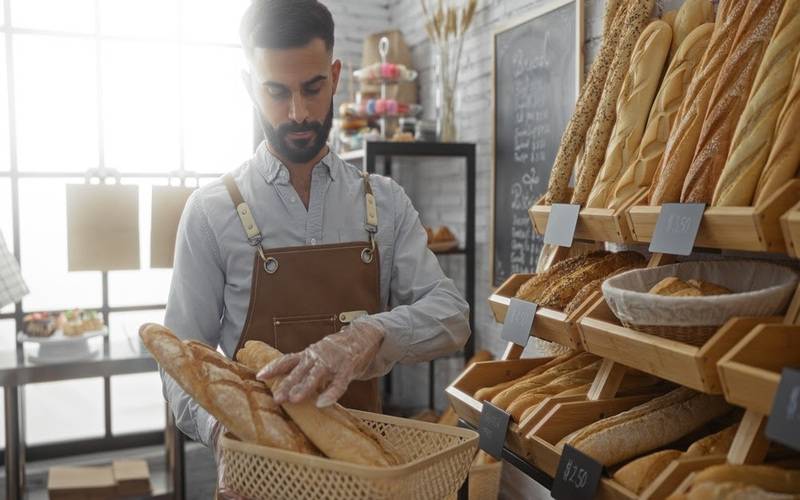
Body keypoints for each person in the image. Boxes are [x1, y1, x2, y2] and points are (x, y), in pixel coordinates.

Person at [160, 0, 471, 494]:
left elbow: (453, 317)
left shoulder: (383, 204)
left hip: (366, 477)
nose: (299, 113)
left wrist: (367, 335)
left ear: (335, 74)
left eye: (312, 88)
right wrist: (223, 432)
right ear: (248, 87)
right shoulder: (210, 213)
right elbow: (181, 364)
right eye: (277, 92)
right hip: (258, 474)